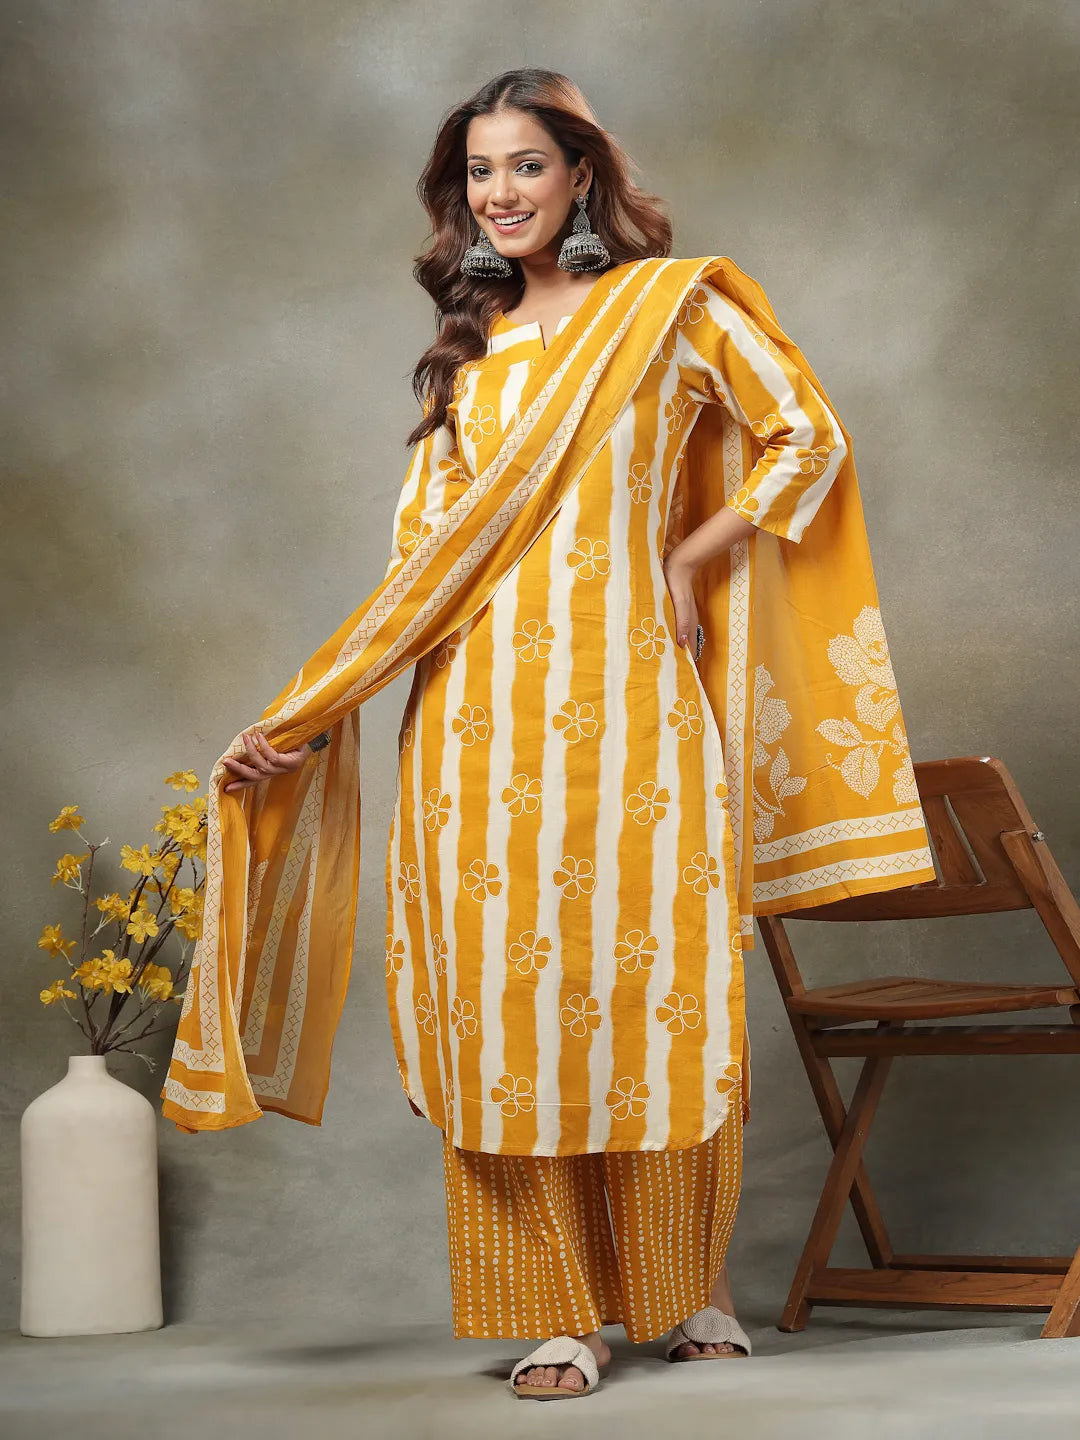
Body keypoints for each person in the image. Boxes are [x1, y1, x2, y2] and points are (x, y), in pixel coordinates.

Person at [162, 69, 937, 1400]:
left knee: (654, 1003)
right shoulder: (471, 354)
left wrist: (691, 557)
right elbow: (420, 569)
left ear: (582, 174)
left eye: (526, 165)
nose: (500, 194)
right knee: (502, 1015)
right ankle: (560, 1314)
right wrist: (311, 714)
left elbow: (806, 437)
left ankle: (691, 1289)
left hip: (639, 713)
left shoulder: (669, 311)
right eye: (479, 172)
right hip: (472, 732)